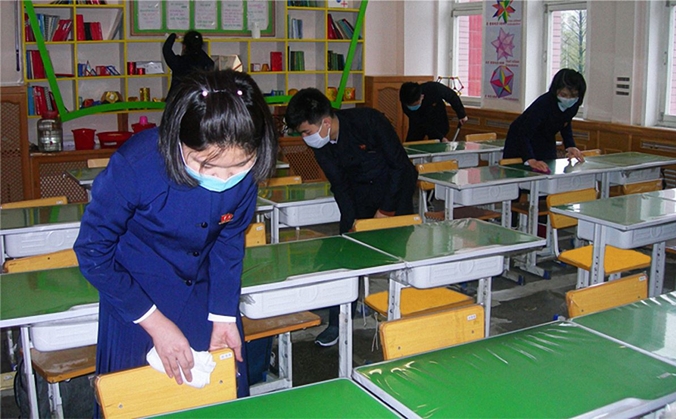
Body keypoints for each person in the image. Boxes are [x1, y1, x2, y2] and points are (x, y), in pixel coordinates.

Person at [74, 70, 277, 415]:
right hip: (135, 299)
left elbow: (228, 241)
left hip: (205, 294)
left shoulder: (244, 171)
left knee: (216, 396)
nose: (226, 180)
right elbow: (93, 251)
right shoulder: (136, 165)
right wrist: (154, 322)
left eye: (240, 166)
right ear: (182, 141)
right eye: (209, 167)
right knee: (136, 400)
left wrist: (224, 315)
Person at [284, 88, 418, 347]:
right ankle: (337, 322)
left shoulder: (368, 122)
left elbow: (400, 166)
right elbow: (340, 185)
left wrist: (386, 211)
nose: (305, 139)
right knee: (343, 261)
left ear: (325, 122)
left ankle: (401, 322)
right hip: (358, 198)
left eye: (306, 132)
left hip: (395, 193)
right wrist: (352, 222)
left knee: (396, 260)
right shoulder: (321, 145)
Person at [502, 68, 586, 173]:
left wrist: (570, 146)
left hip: (546, 139)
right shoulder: (543, 105)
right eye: (564, 95)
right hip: (520, 140)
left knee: (548, 170)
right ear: (555, 90)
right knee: (521, 175)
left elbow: (565, 123)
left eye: (573, 95)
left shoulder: (574, 105)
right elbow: (523, 133)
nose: (568, 99)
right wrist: (530, 159)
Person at [399, 81, 468, 142]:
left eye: (416, 104)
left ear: (421, 97)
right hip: (419, 122)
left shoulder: (434, 88)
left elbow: (451, 96)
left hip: (438, 117)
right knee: (412, 143)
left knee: (438, 144)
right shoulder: (406, 104)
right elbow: (423, 124)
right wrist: (441, 137)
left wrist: (461, 114)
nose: (413, 107)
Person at [163, 31, 215, 96]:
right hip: (198, 100)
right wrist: (197, 48)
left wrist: (172, 36)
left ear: (184, 46)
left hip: (179, 101)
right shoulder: (207, 63)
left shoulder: (179, 62)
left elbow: (166, 50)